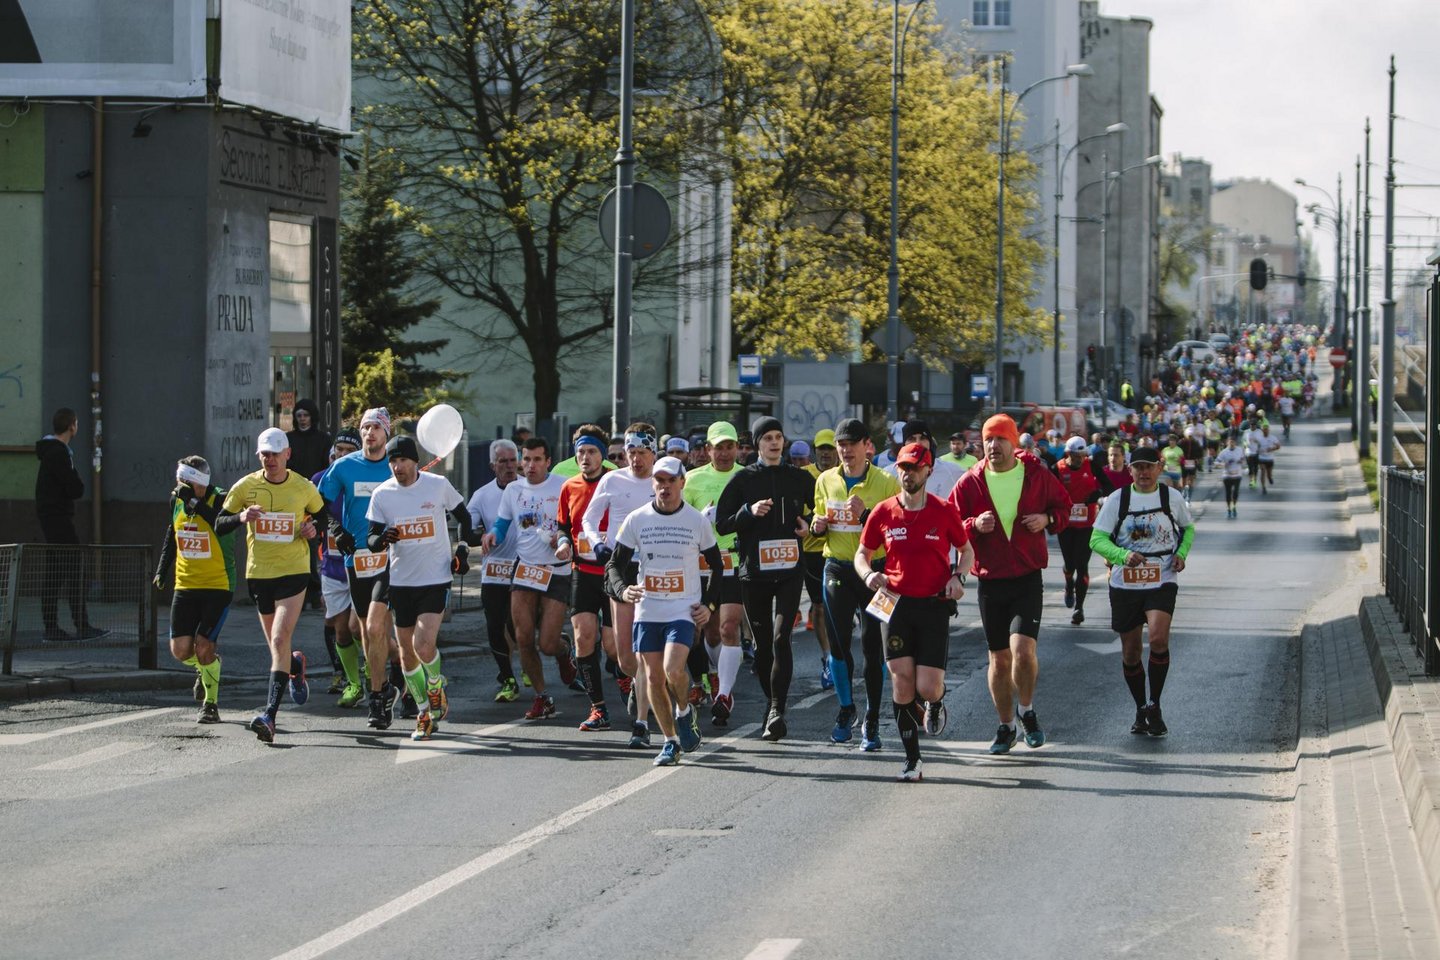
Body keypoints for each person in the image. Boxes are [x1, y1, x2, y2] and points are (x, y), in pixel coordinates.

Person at [949, 414, 1071, 755]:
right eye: (988, 439)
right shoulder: (971, 481)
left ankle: (1026, 711)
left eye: (1000, 439)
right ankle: (1006, 726)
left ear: (1013, 443)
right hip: (990, 582)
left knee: (1023, 651)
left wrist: (1047, 518)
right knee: (999, 660)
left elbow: (1064, 507)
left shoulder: (1035, 474)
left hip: (1026, 578)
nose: (993, 445)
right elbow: (951, 524)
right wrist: (974, 525)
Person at [855, 442, 972, 781]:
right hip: (894, 603)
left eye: (915, 468)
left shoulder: (943, 510)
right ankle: (912, 759)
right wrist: (868, 574)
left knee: (928, 686)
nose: (908, 474)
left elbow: (966, 550)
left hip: (934, 604)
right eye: (904, 468)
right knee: (902, 682)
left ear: (928, 471)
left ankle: (936, 701)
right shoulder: (883, 511)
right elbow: (862, 554)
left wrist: (958, 577)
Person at [605, 456, 724, 766]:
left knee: (673, 670)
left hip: (683, 609)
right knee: (654, 677)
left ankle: (684, 710)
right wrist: (623, 590)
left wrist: (709, 606)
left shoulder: (696, 521)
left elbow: (717, 566)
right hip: (648, 611)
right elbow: (615, 565)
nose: (665, 486)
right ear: (653, 483)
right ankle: (671, 741)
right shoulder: (637, 519)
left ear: (682, 483)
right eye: (659, 480)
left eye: (671, 480)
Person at [219, 427, 330, 743]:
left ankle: (269, 716)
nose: (270, 459)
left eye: (275, 454)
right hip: (259, 573)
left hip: (294, 571)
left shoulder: (303, 487)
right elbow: (219, 523)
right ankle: (295, 665)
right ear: (259, 456)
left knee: (280, 637)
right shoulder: (246, 486)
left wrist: (312, 529)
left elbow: (323, 517)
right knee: (277, 646)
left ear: (287, 455)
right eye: (265, 454)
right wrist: (242, 517)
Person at [366, 435, 476, 741]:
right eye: (392, 461)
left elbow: (464, 517)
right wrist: (382, 539)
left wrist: (462, 549)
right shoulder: (382, 494)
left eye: (402, 460)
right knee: (406, 655)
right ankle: (424, 714)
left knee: (423, 645)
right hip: (401, 581)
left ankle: (436, 684)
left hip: (435, 578)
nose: (397, 467)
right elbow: (371, 539)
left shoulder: (437, 485)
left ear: (415, 461)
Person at [715, 416, 815, 740]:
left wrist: (810, 525)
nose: (774, 443)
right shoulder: (743, 479)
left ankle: (776, 710)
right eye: (767, 438)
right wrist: (749, 511)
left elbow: (819, 511)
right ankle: (771, 702)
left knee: (781, 637)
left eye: (778, 437)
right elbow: (722, 523)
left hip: (789, 570)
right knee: (761, 647)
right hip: (754, 572)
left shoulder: (798, 477)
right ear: (757, 444)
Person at [1089, 446, 1196, 737]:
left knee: (1159, 639)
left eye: (1149, 466)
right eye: (1138, 467)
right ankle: (1140, 708)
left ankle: (1154, 703)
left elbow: (1188, 529)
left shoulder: (1171, 497)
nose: (1144, 472)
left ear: (1159, 467)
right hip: (1126, 582)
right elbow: (1096, 539)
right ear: (1130, 470)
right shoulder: (1118, 499)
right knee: (1131, 652)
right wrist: (1122, 555)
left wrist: (1181, 554)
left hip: (1162, 576)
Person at [811, 417, 899, 749]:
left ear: (867, 446)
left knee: (873, 647)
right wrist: (817, 525)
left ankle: (872, 718)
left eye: (852, 444)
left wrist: (865, 514)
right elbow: (819, 520)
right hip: (838, 569)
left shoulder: (887, 482)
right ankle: (846, 709)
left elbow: (896, 533)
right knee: (839, 643)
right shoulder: (825, 480)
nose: (846, 451)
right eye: (841, 445)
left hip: (878, 573)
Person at [319, 408, 408, 727]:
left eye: (376, 427)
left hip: (394, 557)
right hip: (356, 558)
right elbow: (318, 504)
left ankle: (380, 697)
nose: (370, 432)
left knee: (378, 627)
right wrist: (336, 529)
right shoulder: (344, 466)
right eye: (365, 427)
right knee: (369, 633)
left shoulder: (395, 465)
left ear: (386, 433)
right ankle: (388, 688)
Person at [583, 424, 663, 745]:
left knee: (646, 648)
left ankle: (643, 717)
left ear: (653, 453)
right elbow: (589, 519)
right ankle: (639, 682)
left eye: (642, 452)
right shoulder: (612, 480)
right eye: (631, 452)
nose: (635, 459)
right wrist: (597, 544)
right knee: (624, 655)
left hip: (655, 567)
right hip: (620, 567)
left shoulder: (663, 479)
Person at [482, 437, 571, 722]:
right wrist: (493, 534)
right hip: (525, 568)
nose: (530, 466)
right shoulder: (514, 490)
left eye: (537, 460)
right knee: (522, 637)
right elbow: (502, 522)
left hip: (556, 569)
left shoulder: (563, 486)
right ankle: (542, 697)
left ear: (548, 462)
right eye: (527, 459)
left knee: (548, 644)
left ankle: (563, 650)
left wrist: (563, 539)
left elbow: (573, 523)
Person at [153, 456, 237, 724]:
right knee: (180, 650)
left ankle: (210, 704)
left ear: (199, 482)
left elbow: (220, 523)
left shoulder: (221, 498)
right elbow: (172, 532)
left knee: (203, 645)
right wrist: (162, 569)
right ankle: (208, 665)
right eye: (179, 481)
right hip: (186, 584)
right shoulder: (177, 500)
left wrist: (194, 503)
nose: (180, 487)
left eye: (185, 482)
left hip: (218, 584)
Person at [681, 421, 746, 727]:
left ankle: (725, 693)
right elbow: (677, 519)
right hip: (702, 565)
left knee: (729, 627)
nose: (724, 453)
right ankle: (716, 675)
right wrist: (699, 519)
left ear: (737, 448)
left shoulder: (747, 476)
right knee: (709, 632)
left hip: (735, 561)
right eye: (718, 447)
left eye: (729, 446)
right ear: (707, 450)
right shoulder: (692, 480)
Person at [554, 425, 618, 731]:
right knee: (583, 638)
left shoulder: (617, 481)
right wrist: (563, 542)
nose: (585, 457)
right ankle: (598, 708)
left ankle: (628, 681)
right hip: (583, 571)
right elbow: (563, 525)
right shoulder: (569, 487)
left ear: (602, 455)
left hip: (615, 574)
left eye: (592, 451)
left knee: (613, 646)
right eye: (580, 451)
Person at [34, 407, 103, 641]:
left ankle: (52, 627)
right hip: (59, 518)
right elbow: (75, 488)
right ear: (72, 426)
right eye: (76, 424)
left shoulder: (51, 451)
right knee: (74, 570)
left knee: (55, 572)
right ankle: (81, 625)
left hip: (50, 517)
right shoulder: (60, 453)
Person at [467, 439, 522, 701]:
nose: (509, 466)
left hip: (525, 567)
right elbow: (467, 529)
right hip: (494, 569)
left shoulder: (528, 489)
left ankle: (535, 657)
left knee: (518, 625)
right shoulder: (482, 495)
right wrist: (480, 537)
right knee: (495, 625)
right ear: (493, 466)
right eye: (503, 462)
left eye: (513, 461)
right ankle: (508, 677)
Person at [313, 429, 361, 697]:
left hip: (363, 566)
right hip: (332, 566)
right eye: (339, 449)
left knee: (359, 628)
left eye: (349, 451)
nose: (342, 455)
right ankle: (350, 680)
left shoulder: (364, 479)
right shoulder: (319, 480)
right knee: (340, 630)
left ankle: (372, 672)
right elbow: (311, 517)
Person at [1055, 436, 1101, 626]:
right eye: (1076, 456)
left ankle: (1079, 608)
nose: (1080, 459)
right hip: (1065, 525)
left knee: (1082, 565)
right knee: (1070, 564)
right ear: (1068, 454)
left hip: (1086, 524)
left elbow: (1108, 486)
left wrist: (1096, 495)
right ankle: (1069, 584)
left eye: (1083, 455)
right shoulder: (1058, 469)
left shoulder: (1092, 466)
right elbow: (1049, 491)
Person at [1214, 434, 1247, 519]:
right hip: (1227, 475)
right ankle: (1229, 509)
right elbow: (1216, 463)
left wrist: (1241, 461)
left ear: (1235, 443)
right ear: (1227, 443)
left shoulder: (1240, 450)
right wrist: (1223, 464)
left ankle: (1234, 506)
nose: (1231, 444)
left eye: (1233, 442)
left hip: (1237, 475)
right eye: (1230, 442)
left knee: (1235, 492)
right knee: (1228, 493)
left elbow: (1244, 460)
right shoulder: (1224, 452)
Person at [1255, 422, 1281, 493]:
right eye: (1264, 430)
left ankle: (1270, 478)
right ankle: (1263, 487)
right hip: (1261, 458)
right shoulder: (1259, 438)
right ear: (1262, 430)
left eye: (1266, 430)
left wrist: (1272, 449)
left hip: (1270, 458)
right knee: (1263, 471)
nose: (1265, 431)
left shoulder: (1273, 438)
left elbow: (1278, 446)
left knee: (1269, 474)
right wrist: (1257, 450)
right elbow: (1255, 446)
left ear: (1269, 430)